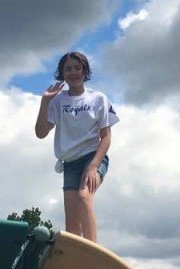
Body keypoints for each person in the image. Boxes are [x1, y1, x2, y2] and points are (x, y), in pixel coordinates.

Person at [34, 51, 119, 243]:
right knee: (72, 223)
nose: (73, 73)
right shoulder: (58, 101)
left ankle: (92, 253)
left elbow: (106, 137)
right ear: (62, 73)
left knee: (83, 197)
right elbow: (40, 133)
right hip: (70, 163)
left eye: (77, 68)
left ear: (84, 71)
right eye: (68, 69)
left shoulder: (98, 99)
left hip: (93, 157)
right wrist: (45, 101)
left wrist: (93, 166)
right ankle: (76, 259)